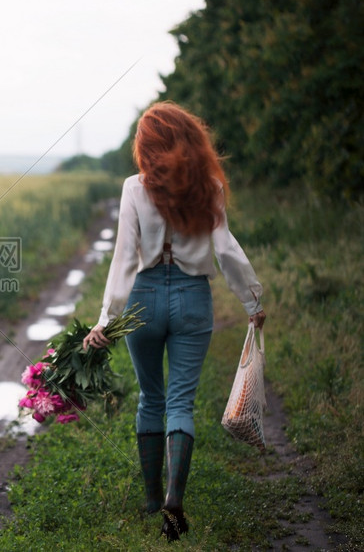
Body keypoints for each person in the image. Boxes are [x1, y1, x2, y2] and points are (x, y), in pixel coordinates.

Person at [82, 101, 266, 542]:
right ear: (188, 140)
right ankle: (173, 500)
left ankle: (151, 501)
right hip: (192, 299)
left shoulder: (133, 188)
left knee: (151, 397)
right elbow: (226, 250)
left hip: (144, 301)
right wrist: (251, 300)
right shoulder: (209, 187)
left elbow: (125, 257)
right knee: (181, 402)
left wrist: (106, 318)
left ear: (146, 146)